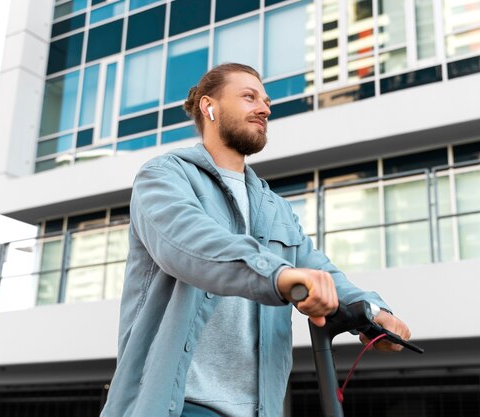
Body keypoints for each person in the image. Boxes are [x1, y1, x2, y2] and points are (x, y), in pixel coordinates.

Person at [99, 63, 411, 417]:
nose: (265, 108)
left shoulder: (273, 206)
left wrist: (374, 310)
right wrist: (277, 276)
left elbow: (315, 267)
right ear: (208, 106)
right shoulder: (164, 176)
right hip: (177, 405)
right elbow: (188, 243)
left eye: (266, 101)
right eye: (249, 97)